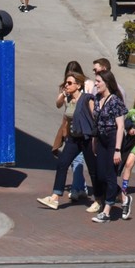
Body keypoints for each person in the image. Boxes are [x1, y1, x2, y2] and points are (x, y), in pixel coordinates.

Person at [40, 69, 93, 210]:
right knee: (62, 164)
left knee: (95, 170)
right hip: (74, 139)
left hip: (86, 139)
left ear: (79, 85)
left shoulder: (87, 99)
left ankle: (107, 197)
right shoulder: (69, 100)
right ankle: (55, 197)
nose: (66, 86)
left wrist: (96, 139)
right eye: (65, 83)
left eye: (69, 83)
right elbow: (63, 113)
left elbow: (95, 119)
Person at [90, 69, 130, 222]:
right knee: (100, 175)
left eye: (98, 81)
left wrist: (118, 150)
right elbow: (96, 122)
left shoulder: (115, 101)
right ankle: (124, 199)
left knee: (110, 175)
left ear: (106, 83)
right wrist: (95, 141)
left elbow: (120, 126)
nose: (96, 84)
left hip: (113, 138)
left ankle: (107, 211)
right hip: (101, 139)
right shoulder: (97, 97)